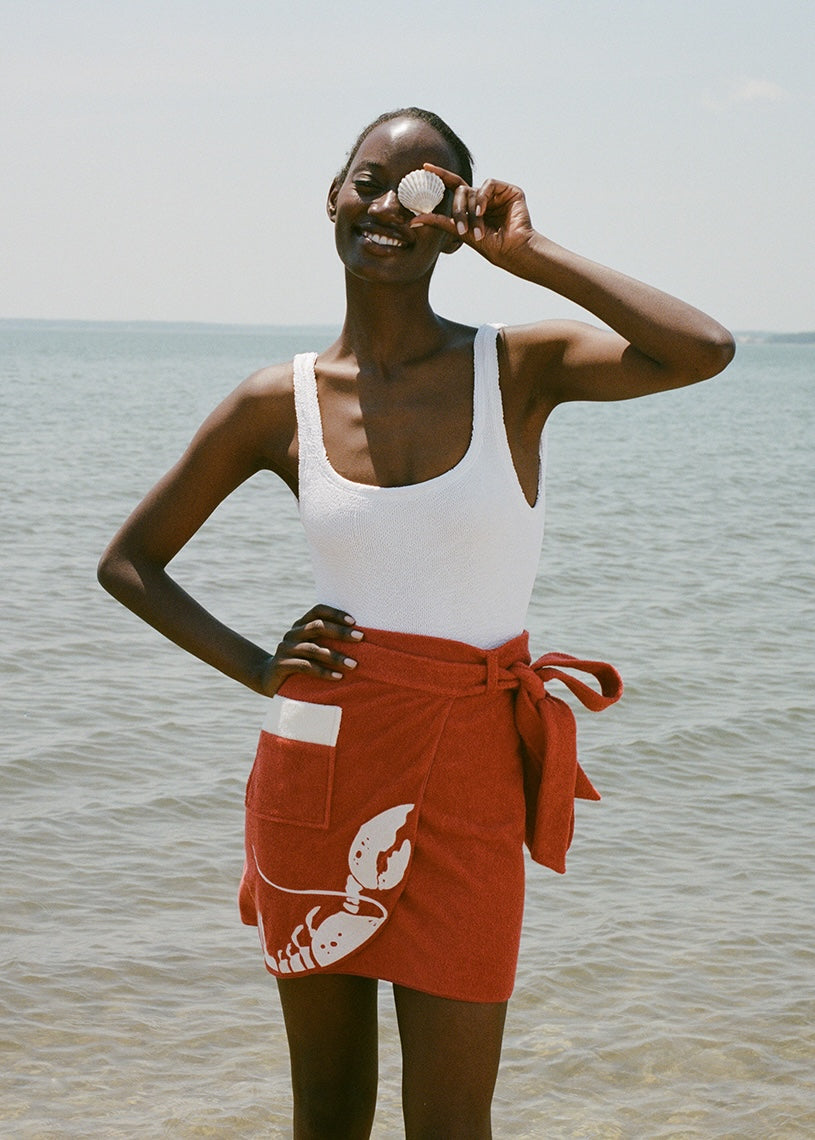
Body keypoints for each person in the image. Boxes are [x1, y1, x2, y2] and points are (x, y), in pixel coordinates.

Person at [98, 107, 735, 1138]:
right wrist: (260, 664)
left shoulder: (515, 371)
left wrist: (530, 257)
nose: (389, 204)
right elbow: (129, 563)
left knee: (450, 1121)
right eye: (368, 179)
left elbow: (701, 349)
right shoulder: (279, 402)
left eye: (426, 190)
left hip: (473, 772)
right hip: (318, 766)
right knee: (331, 1113)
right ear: (332, 197)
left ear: (455, 223)